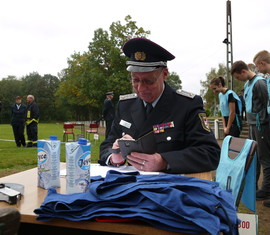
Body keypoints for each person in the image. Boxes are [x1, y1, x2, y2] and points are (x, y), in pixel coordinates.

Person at [99, 38, 220, 174]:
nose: (141, 88)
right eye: (135, 80)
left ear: (165, 74)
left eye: (148, 81)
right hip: (131, 187)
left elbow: (210, 153)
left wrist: (164, 161)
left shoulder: (186, 105)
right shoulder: (125, 105)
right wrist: (115, 156)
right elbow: (106, 146)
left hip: (172, 189)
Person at [231, 60, 270, 202]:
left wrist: (263, 122)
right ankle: (253, 186)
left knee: (264, 157)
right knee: (254, 157)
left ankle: (266, 190)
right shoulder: (248, 84)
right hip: (253, 125)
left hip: (261, 125)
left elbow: (266, 103)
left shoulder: (260, 83)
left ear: (243, 71)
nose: (238, 80)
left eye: (237, 77)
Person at [253, 50, 270, 208]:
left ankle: (266, 189)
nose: (257, 70)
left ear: (262, 63)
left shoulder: (261, 82)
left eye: (257, 66)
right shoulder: (268, 79)